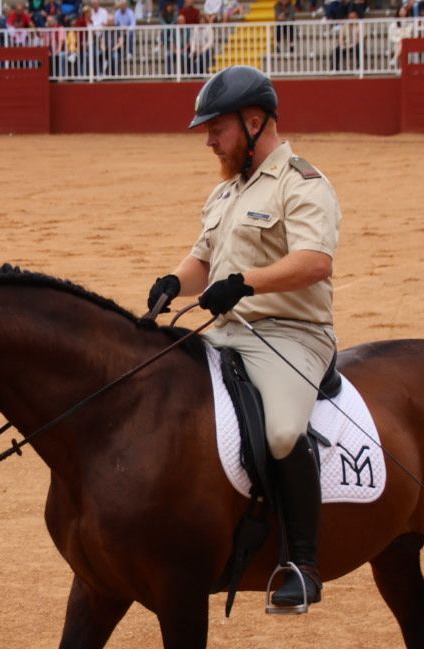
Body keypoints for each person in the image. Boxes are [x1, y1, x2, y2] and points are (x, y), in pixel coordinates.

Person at [144, 66, 340, 611]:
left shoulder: (303, 183)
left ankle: (302, 563)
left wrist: (246, 283)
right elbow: (204, 261)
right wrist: (173, 283)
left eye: (217, 129)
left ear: (254, 122)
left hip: (292, 334)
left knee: (280, 432)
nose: (208, 141)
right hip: (229, 333)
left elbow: (314, 262)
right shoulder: (227, 191)